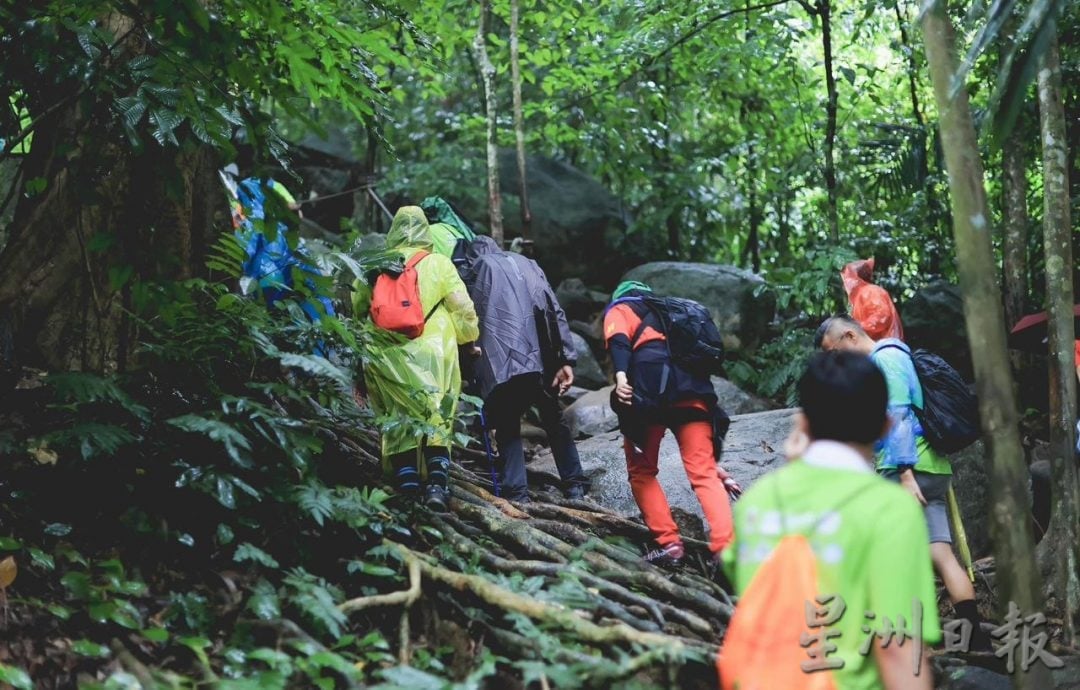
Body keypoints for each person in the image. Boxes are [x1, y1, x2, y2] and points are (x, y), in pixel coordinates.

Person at [721, 351, 939, 689]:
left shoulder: (756, 501)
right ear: (885, 425)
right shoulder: (889, 509)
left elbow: (737, 571)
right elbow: (896, 647)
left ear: (803, 423)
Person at [815, 315, 991, 650]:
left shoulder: (887, 359)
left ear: (850, 336)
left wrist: (906, 476)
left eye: (833, 351)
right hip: (930, 469)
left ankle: (895, 641)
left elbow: (898, 417)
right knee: (940, 553)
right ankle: (975, 640)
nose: (834, 360)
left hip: (909, 471)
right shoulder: (890, 360)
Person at [352, 207, 479, 511]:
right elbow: (463, 307)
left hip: (385, 350)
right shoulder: (439, 263)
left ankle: (407, 485)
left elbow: (358, 306)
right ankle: (436, 484)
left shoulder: (376, 264)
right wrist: (468, 339)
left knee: (396, 415)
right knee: (438, 413)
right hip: (435, 350)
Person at [604, 281, 737, 567]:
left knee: (642, 471)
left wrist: (621, 377)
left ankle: (670, 545)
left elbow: (618, 340)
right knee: (703, 473)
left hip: (650, 397)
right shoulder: (670, 315)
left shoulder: (622, 308)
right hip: (694, 394)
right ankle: (726, 549)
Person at [459, 236, 589, 502]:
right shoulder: (527, 264)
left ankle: (517, 495)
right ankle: (575, 484)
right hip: (541, 356)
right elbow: (553, 308)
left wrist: (468, 368)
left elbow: (466, 320)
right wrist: (565, 359)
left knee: (507, 423)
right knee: (554, 419)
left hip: (502, 362)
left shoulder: (476, 270)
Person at [841, 258, 903, 341]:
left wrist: (857, 327)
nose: (845, 283)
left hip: (884, 344)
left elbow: (881, 316)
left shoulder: (870, 291)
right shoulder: (859, 296)